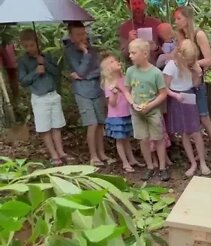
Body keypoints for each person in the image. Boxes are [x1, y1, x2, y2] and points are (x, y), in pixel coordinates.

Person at [174, 6, 211, 168]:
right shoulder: (181, 37)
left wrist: (191, 63)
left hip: (197, 84)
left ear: (187, 18)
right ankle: (198, 156)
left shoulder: (198, 34)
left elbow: (208, 59)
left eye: (179, 18)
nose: (176, 22)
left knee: (205, 119)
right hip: (185, 85)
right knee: (190, 123)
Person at [17, 29, 72, 166]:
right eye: (27, 46)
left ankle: (61, 151)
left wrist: (45, 63)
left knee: (56, 126)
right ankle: (53, 155)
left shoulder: (47, 56)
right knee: (45, 127)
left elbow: (57, 72)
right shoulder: (23, 61)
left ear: (38, 42)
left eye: (32, 45)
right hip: (39, 97)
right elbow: (23, 81)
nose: (30, 48)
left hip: (52, 94)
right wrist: (35, 72)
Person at [64, 22, 114, 167]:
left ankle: (102, 153)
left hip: (96, 89)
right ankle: (93, 156)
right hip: (82, 92)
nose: (82, 37)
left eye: (83, 33)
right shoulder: (70, 51)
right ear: (71, 37)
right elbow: (79, 71)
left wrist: (86, 75)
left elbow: (100, 70)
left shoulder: (94, 50)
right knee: (91, 123)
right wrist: (85, 55)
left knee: (99, 123)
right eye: (78, 35)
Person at [164, 39, 211, 177]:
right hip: (176, 98)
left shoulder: (192, 65)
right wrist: (175, 95)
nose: (190, 63)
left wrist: (198, 73)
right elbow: (164, 88)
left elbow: (195, 85)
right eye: (188, 61)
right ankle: (193, 163)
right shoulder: (171, 66)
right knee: (185, 132)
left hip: (189, 96)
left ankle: (202, 162)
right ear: (180, 55)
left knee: (196, 131)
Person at [125, 38, 169, 181]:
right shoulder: (130, 71)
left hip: (153, 111)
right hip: (137, 112)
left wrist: (150, 105)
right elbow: (126, 90)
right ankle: (150, 166)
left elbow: (163, 94)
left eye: (133, 53)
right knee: (143, 139)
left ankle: (162, 168)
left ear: (144, 53)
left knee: (158, 139)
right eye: (130, 53)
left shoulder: (156, 73)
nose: (130, 56)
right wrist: (132, 103)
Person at [100, 53, 144, 173]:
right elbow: (112, 103)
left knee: (126, 138)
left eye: (116, 60)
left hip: (126, 112)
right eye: (112, 62)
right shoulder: (108, 83)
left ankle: (132, 159)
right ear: (108, 68)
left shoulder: (124, 78)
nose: (117, 62)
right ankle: (125, 162)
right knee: (120, 139)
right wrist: (114, 92)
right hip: (116, 116)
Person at [119, 0, 162, 64]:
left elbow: (168, 50)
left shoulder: (156, 23)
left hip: (157, 67)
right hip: (136, 69)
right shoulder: (125, 28)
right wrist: (129, 42)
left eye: (139, 3)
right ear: (128, 6)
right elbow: (123, 56)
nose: (137, 7)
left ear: (144, 4)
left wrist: (156, 48)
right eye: (134, 4)